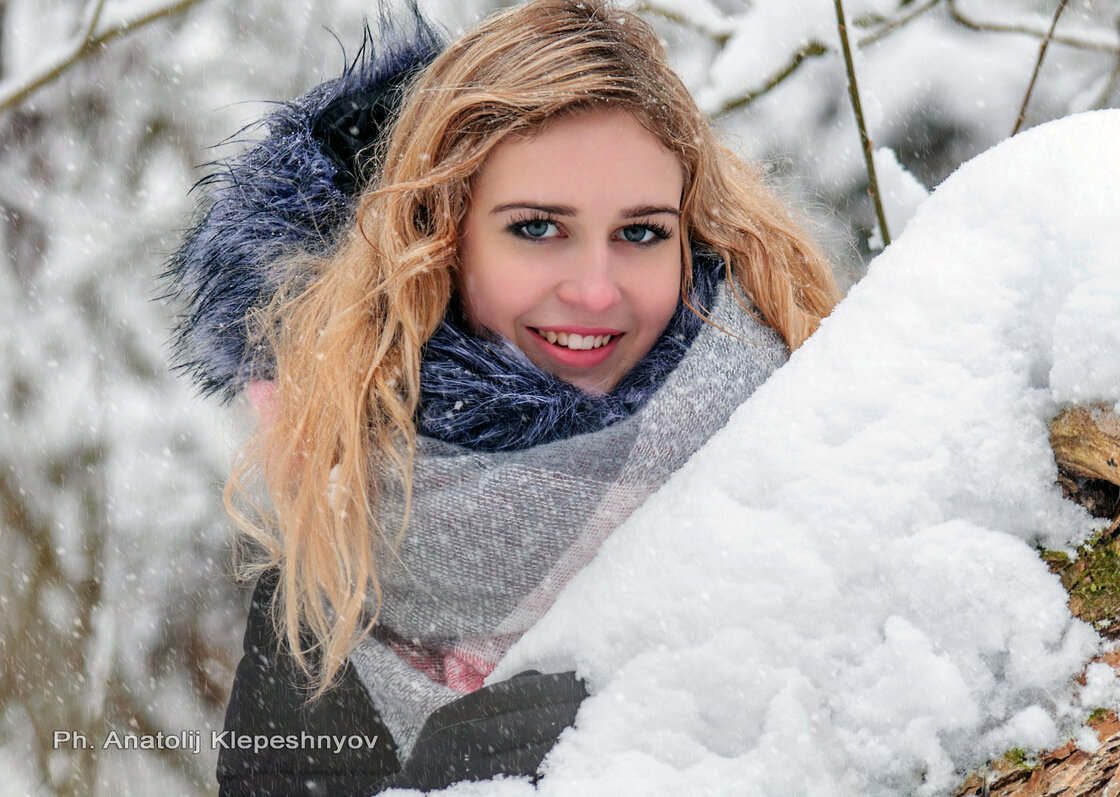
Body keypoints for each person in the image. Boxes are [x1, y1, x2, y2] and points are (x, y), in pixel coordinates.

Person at [166, 0, 841, 793]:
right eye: (536, 228)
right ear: (443, 238)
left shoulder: (802, 445)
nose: (595, 291)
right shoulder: (336, 552)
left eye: (642, 232)